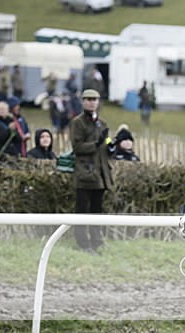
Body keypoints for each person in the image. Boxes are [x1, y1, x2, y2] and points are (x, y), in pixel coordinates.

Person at [70, 88, 114, 255]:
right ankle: (83, 242)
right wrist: (96, 144)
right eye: (88, 99)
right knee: (82, 210)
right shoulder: (78, 123)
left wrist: (110, 146)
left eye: (94, 99)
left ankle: (96, 240)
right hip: (85, 173)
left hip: (100, 174)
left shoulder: (102, 123)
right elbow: (77, 147)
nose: (91, 102)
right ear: (83, 102)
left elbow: (106, 141)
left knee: (97, 210)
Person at [0, 100, 22, 166]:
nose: (2, 111)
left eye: (4, 109)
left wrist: (15, 130)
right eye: (0, 109)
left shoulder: (11, 121)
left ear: (7, 111)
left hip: (12, 155)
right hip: (0, 154)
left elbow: (18, 139)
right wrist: (9, 129)